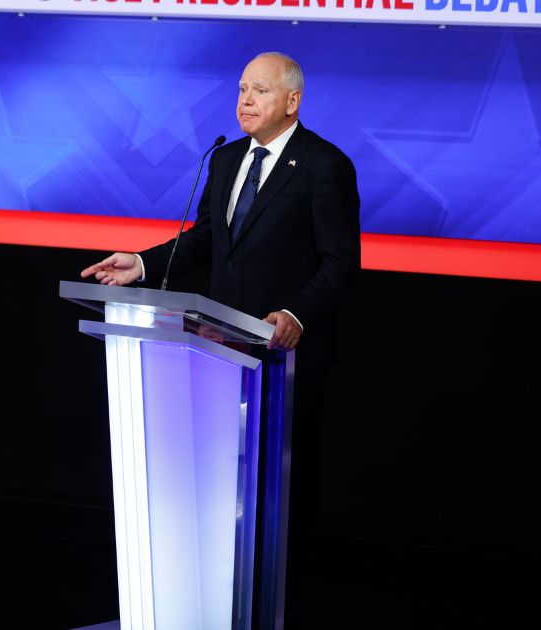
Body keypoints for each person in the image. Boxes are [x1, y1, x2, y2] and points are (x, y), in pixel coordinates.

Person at [80, 52, 360, 627]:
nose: (245, 100)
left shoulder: (324, 166)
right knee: (219, 492)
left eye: (259, 90)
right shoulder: (227, 158)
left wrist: (296, 315)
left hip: (284, 364)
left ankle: (280, 612)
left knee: (280, 503)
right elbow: (209, 240)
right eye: (240, 89)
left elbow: (340, 265)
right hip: (217, 355)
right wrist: (140, 263)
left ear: (293, 101)